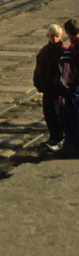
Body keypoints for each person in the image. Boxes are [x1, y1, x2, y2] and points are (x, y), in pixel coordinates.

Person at [34, 24, 66, 150]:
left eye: (57, 36)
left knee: (58, 114)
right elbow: (38, 68)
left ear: (61, 36)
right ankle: (53, 136)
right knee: (48, 113)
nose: (54, 38)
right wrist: (38, 84)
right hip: (47, 88)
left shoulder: (64, 51)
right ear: (48, 36)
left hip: (58, 89)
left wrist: (63, 90)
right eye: (52, 36)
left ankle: (58, 138)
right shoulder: (44, 51)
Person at [60, 19, 79, 156]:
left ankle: (71, 148)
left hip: (74, 90)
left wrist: (63, 92)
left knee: (72, 119)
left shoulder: (70, 52)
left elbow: (67, 75)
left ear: (66, 33)